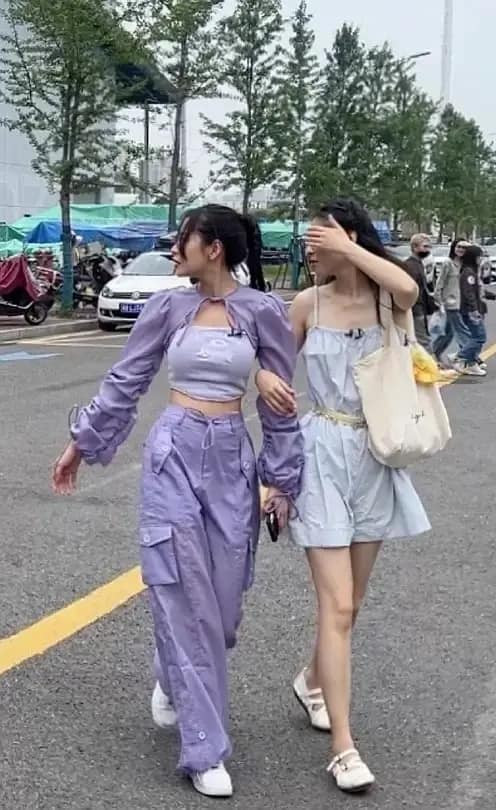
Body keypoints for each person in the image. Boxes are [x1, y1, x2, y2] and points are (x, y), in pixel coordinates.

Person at [52, 204, 303, 799]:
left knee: (223, 609)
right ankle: (205, 751)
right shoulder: (166, 308)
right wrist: (81, 445)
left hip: (231, 462)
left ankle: (173, 674)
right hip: (173, 456)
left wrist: (281, 481)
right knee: (183, 591)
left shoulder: (263, 312)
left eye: (182, 240)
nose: (173, 250)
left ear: (212, 248)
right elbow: (127, 380)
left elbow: (282, 405)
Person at [255, 198, 430, 793]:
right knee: (337, 606)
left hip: (376, 453)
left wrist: (348, 249)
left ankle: (311, 681)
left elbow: (407, 288)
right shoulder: (307, 303)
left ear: (349, 237)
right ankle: (344, 748)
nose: (310, 250)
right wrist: (263, 378)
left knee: (351, 604)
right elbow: (271, 367)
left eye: (318, 239)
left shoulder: (386, 299)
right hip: (321, 453)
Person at [432, 238, 471, 365]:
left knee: (448, 333)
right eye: (458, 247)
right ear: (453, 248)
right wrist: (438, 300)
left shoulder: (467, 265)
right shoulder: (448, 263)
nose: (461, 250)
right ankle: (470, 358)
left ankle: (433, 353)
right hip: (450, 303)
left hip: (462, 303)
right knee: (462, 331)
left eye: (464, 248)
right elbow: (440, 282)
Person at [453, 244, 488, 377]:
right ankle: (460, 357)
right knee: (479, 337)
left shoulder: (471, 271)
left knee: (475, 336)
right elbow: (468, 293)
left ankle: (471, 363)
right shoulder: (468, 272)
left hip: (473, 308)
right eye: (479, 257)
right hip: (470, 310)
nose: (481, 259)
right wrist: (474, 309)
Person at [403, 233, 436, 351]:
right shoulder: (410, 265)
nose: (428, 250)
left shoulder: (418, 264)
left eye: (429, 247)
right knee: (423, 342)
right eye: (425, 246)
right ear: (414, 247)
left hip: (419, 309)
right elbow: (409, 290)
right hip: (415, 310)